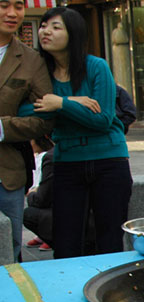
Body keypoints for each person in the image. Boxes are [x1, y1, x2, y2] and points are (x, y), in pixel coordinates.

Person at [22, 7, 132, 258]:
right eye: (43, 26)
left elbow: (103, 119)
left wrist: (60, 104)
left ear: (74, 34)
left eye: (55, 27)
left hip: (108, 160)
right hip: (67, 162)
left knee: (110, 239)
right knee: (66, 241)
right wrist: (73, 100)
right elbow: (24, 109)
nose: (45, 31)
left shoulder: (96, 66)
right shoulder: (41, 72)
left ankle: (109, 295)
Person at [0, 0, 53, 262]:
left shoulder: (31, 60)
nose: (12, 13)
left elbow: (46, 118)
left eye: (18, 6)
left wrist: (3, 128)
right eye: (3, 5)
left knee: (9, 249)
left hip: (7, 173)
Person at [23, 136, 54, 251]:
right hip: (38, 189)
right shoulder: (38, 156)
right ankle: (43, 236)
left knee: (33, 210)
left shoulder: (47, 157)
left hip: (43, 192)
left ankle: (50, 236)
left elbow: (43, 194)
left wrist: (33, 193)